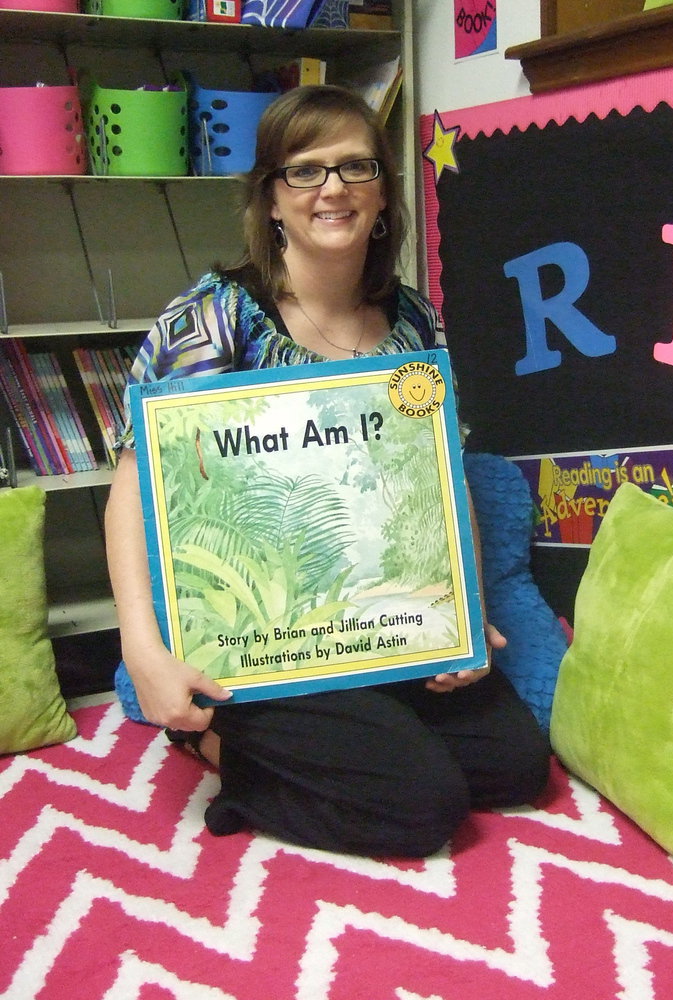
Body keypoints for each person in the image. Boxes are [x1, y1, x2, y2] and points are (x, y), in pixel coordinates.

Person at [105, 85, 550, 857]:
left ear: (383, 195)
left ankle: (357, 744)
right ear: (272, 200)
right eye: (305, 171)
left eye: (355, 167)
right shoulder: (212, 318)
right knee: (423, 807)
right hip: (257, 638)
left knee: (517, 767)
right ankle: (223, 754)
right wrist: (143, 650)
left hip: (380, 623)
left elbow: (441, 477)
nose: (333, 188)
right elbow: (130, 492)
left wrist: (460, 620)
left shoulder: (413, 321)